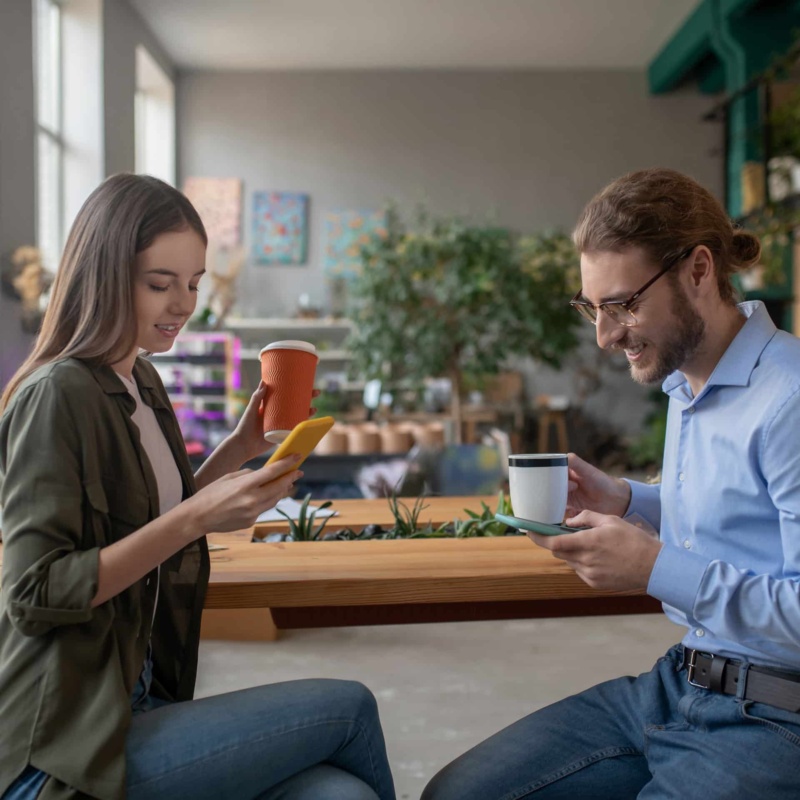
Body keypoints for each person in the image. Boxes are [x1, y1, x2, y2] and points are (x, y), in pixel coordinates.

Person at [0, 174, 396, 800]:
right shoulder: (57, 395)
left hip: (143, 697)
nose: (183, 303)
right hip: (67, 741)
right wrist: (196, 518)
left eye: (192, 283)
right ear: (104, 274)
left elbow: (158, 516)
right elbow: (33, 591)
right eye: (160, 284)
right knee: (348, 707)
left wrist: (239, 449)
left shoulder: (143, 383)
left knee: (338, 794)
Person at [422, 167, 800, 798]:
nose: (604, 336)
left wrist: (654, 569)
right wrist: (626, 500)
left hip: (773, 716)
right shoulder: (688, 381)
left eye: (623, 305)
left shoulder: (789, 397)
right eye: (592, 308)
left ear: (699, 271)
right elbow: (739, 519)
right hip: (680, 682)